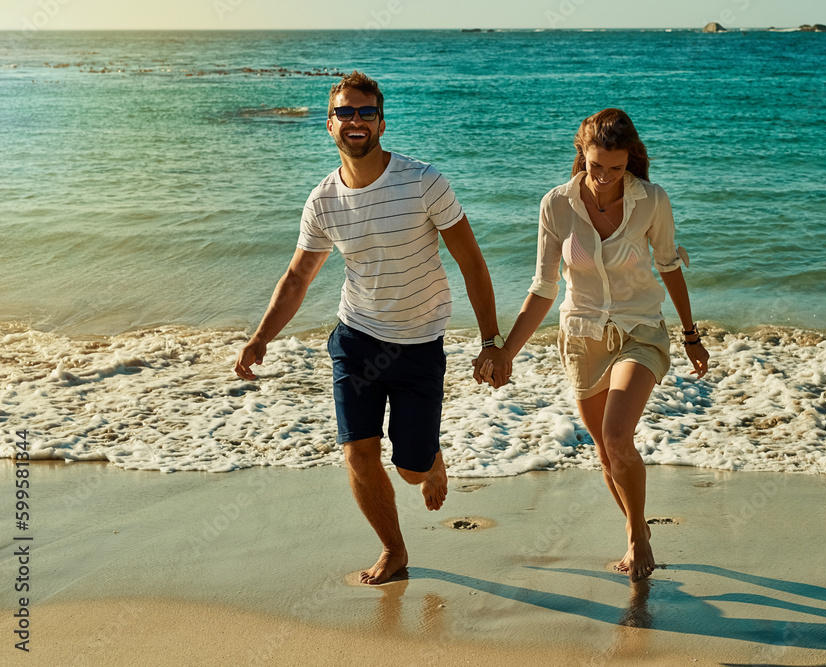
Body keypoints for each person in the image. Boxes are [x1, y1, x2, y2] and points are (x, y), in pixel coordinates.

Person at [234, 71, 510, 585]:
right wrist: (260, 337)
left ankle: (429, 458)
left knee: (409, 468)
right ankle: (394, 550)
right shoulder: (322, 201)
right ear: (329, 124)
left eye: (364, 112)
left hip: (419, 343)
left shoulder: (424, 181)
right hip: (355, 339)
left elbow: (471, 261)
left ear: (381, 121)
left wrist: (492, 341)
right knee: (359, 452)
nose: (354, 121)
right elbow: (298, 276)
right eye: (344, 112)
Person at [480, 108, 710, 582]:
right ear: (581, 154)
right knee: (607, 455)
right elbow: (543, 288)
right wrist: (505, 351)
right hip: (582, 336)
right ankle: (632, 524)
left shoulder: (652, 201)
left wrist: (690, 335)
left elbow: (668, 265)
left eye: (616, 168)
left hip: (640, 329)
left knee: (616, 436)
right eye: (595, 166)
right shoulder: (556, 205)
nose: (604, 178)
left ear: (631, 162)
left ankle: (638, 537)